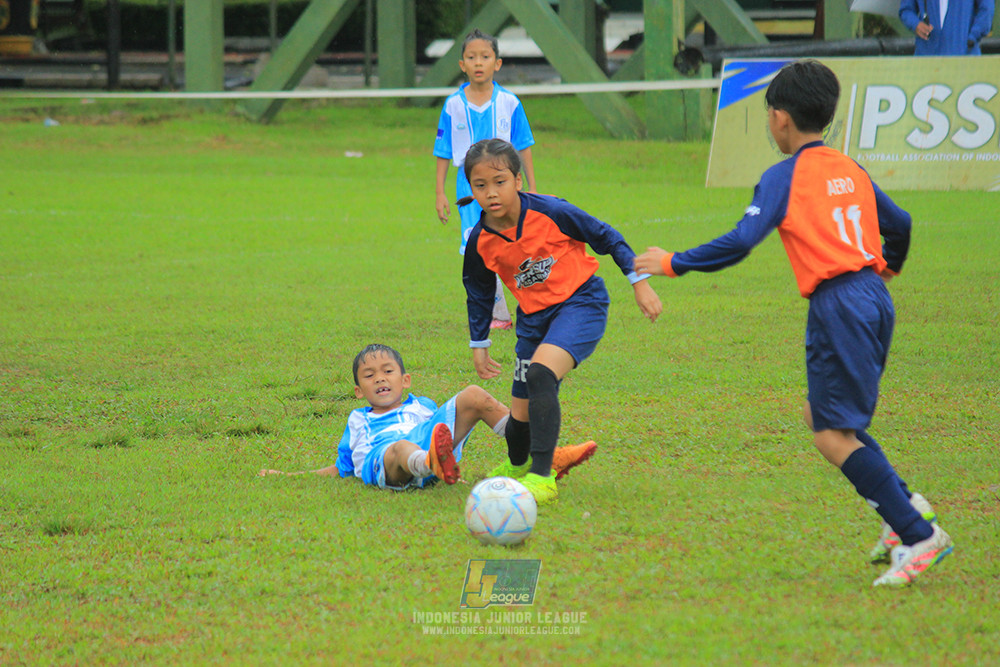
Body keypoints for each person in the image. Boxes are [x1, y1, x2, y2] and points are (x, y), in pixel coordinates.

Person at [634, 60, 952, 588]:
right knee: (822, 415)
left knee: (830, 435)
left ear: (780, 118)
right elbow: (901, 223)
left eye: (767, 115)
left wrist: (673, 262)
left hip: (839, 304)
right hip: (870, 295)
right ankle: (905, 507)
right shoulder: (849, 167)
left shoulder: (785, 175)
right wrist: (885, 269)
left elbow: (740, 242)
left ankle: (918, 534)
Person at [461, 138, 662, 505]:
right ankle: (520, 466)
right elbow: (477, 291)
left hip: (581, 303)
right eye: (480, 185)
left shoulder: (551, 211)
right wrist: (480, 343)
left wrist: (640, 283)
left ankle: (542, 477)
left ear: (518, 181)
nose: (491, 193)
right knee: (518, 421)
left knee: (541, 375)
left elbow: (606, 237)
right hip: (533, 321)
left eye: (500, 181)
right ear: (471, 188)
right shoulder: (480, 239)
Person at [259, 343, 595, 490]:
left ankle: (543, 454)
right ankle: (429, 462)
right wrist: (288, 475)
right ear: (358, 391)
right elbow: (343, 469)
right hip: (388, 463)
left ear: (405, 381)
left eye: (388, 371)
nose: (379, 378)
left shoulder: (421, 407)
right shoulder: (359, 420)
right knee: (400, 447)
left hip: (427, 444)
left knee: (474, 395)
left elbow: (440, 424)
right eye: (369, 375)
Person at [434, 28, 537, 331]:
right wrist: (439, 193)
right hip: (469, 189)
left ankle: (533, 301)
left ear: (498, 63)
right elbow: (442, 150)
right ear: (462, 64)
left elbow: (524, 145)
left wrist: (532, 185)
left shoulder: (510, 102)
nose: (478, 62)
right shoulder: (453, 105)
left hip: (506, 186)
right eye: (471, 57)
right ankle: (500, 314)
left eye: (485, 56)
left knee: (513, 242)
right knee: (477, 246)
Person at [899, 0, 995, 55]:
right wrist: (916, 24)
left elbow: (987, 10)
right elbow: (906, 10)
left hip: (965, 56)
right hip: (926, 56)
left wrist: (972, 37)